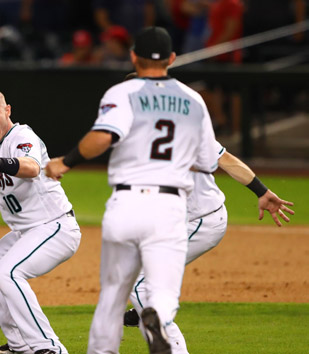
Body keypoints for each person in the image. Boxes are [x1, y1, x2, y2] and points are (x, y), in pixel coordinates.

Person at [45, 26, 220, 354]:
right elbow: (208, 162)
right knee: (164, 292)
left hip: (126, 203)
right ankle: (158, 316)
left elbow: (102, 137)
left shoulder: (121, 93)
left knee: (112, 295)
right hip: (170, 207)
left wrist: (66, 162)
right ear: (171, 58)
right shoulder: (194, 100)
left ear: (133, 56)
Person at [123, 141, 295, 353]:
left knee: (136, 280)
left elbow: (225, 160)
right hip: (181, 221)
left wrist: (261, 191)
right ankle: (146, 307)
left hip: (201, 221)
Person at [0, 89, 82, 354]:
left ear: (7, 111)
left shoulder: (22, 135)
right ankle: (20, 345)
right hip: (25, 232)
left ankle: (49, 347)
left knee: (8, 272)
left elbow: (31, 168)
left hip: (55, 226)